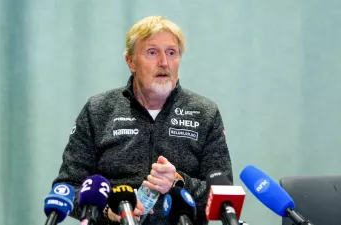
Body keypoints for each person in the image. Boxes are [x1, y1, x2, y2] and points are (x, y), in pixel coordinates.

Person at [52, 15, 233, 225]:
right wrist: (107, 210)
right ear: (131, 61)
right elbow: (67, 187)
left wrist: (180, 182)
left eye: (171, 53)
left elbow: (224, 197)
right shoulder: (98, 109)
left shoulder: (204, 112)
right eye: (152, 52)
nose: (164, 62)